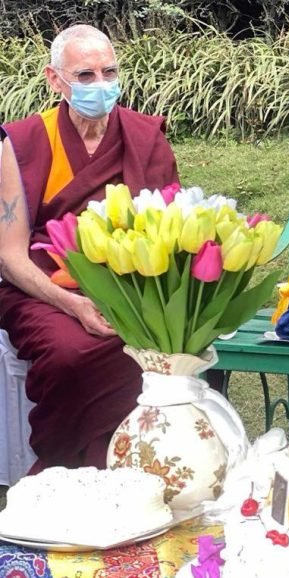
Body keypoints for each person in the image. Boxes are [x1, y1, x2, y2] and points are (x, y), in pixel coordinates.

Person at [0, 24, 179, 471]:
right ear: (54, 80)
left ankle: (133, 470)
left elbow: (171, 231)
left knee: (150, 345)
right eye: (85, 75)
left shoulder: (144, 135)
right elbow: (9, 254)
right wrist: (73, 304)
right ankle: (64, 471)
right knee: (69, 351)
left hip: (130, 284)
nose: (101, 85)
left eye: (109, 72)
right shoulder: (23, 142)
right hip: (44, 287)